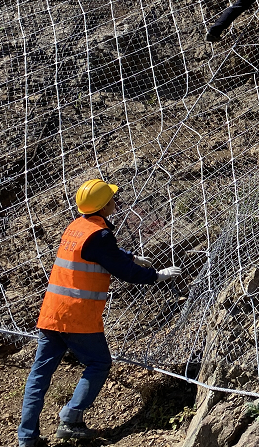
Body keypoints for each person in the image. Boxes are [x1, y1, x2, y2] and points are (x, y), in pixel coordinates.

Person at [17, 179, 182, 447]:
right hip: (78, 317)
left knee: (39, 375)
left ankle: (27, 438)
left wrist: (129, 255)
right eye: (112, 199)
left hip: (52, 313)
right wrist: (157, 276)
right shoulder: (100, 235)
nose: (116, 202)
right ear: (104, 205)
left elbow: (101, 254)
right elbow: (124, 271)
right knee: (99, 363)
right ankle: (70, 419)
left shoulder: (76, 226)